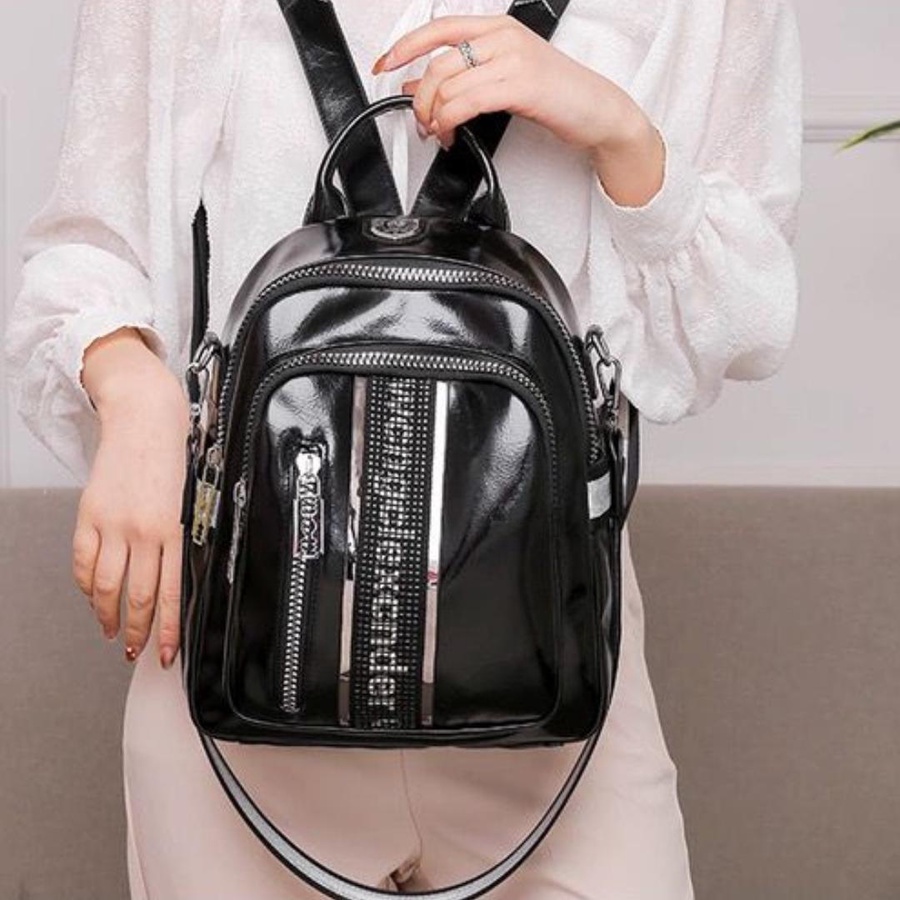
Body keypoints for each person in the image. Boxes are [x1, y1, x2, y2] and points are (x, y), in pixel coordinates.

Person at [4, 0, 801, 896]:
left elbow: (735, 328)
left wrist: (620, 132)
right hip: (244, 641)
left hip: (552, 661)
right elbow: (88, 247)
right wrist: (135, 395)